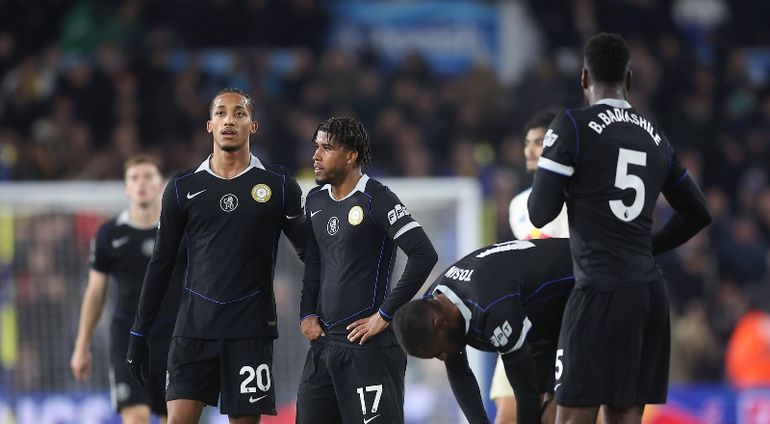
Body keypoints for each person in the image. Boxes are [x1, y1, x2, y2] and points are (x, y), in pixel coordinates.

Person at [528, 33, 711, 424]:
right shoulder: (654, 134)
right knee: (624, 417)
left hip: (598, 291)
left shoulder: (572, 126)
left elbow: (539, 213)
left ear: (583, 78)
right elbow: (698, 213)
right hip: (647, 294)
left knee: (573, 418)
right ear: (629, 79)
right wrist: (648, 247)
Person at [126, 88, 307, 424]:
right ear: (209, 125)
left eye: (240, 113)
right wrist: (140, 333)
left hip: (250, 331)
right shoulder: (183, 188)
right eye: (221, 112)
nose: (229, 119)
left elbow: (311, 255)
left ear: (253, 126)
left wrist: (318, 309)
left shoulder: (279, 186)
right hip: (194, 329)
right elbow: (161, 264)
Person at [296, 116, 438, 424]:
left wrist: (385, 315)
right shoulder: (315, 200)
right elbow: (315, 262)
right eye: (316, 147)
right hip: (324, 346)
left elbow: (424, 254)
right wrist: (306, 312)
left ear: (351, 155)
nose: (316, 156)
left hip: (368, 349)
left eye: (327, 148)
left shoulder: (377, 198)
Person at [393, 238, 575, 424]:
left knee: (559, 415)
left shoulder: (490, 308)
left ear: (440, 323)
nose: (442, 357)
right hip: (548, 321)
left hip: (585, 290)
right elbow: (459, 372)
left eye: (437, 352)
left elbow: (525, 390)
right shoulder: (435, 302)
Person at [71, 155, 183, 424]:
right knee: (135, 416)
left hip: (175, 336)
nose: (141, 183)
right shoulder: (109, 234)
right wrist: (81, 345)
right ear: (126, 187)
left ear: (160, 185)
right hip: (128, 336)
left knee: (176, 417)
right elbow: (96, 292)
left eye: (148, 177)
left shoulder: (181, 230)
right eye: (134, 178)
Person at [492, 109, 569, 424]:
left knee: (558, 412)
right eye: (528, 143)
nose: (531, 149)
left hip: (566, 318)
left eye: (540, 141)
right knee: (507, 413)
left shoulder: (577, 198)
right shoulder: (517, 205)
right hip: (524, 319)